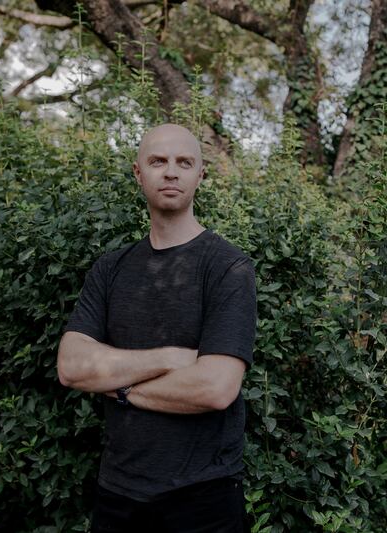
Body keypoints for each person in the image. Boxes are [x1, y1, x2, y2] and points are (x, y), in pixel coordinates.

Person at [57, 123, 257, 533]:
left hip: (204, 499)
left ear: (200, 175)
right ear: (138, 173)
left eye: (184, 163)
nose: (170, 172)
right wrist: (170, 358)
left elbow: (215, 388)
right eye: (158, 161)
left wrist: (119, 387)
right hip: (117, 495)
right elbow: (72, 367)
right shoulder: (110, 268)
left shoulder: (228, 267)